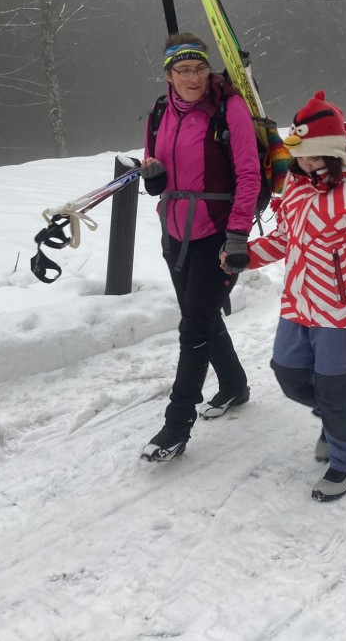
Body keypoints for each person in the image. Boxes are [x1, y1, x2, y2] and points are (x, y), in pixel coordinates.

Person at [226, 90, 346, 501]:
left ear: (334, 152)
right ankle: (333, 418)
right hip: (298, 303)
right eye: (301, 155)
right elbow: (284, 239)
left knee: (333, 390)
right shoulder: (295, 186)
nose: (306, 164)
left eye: (315, 156)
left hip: (345, 311)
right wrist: (245, 257)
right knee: (288, 375)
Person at [139, 32, 261, 462]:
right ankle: (234, 385)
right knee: (203, 317)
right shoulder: (159, 112)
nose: (193, 78)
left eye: (200, 68)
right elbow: (155, 169)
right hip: (174, 234)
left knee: (193, 327)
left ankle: (176, 425)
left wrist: (237, 235)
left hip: (218, 235)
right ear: (169, 74)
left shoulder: (229, 109)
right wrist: (154, 178)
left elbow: (249, 174)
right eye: (184, 70)